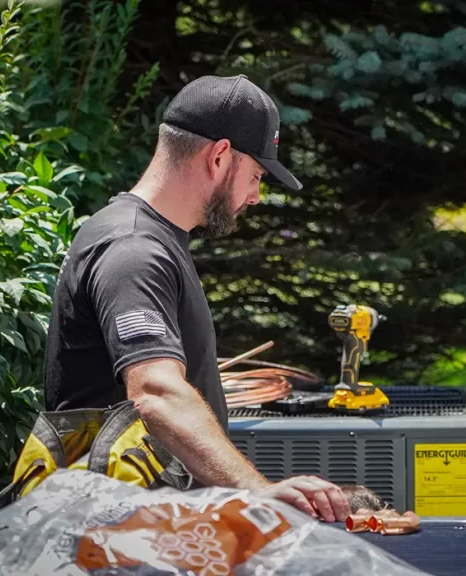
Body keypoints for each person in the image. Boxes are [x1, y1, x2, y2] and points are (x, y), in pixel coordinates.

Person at [42, 74, 351, 523]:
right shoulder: (133, 249)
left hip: (138, 528)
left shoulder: (153, 238)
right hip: (110, 538)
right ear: (221, 156)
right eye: (257, 176)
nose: (256, 196)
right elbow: (155, 391)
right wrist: (258, 491)